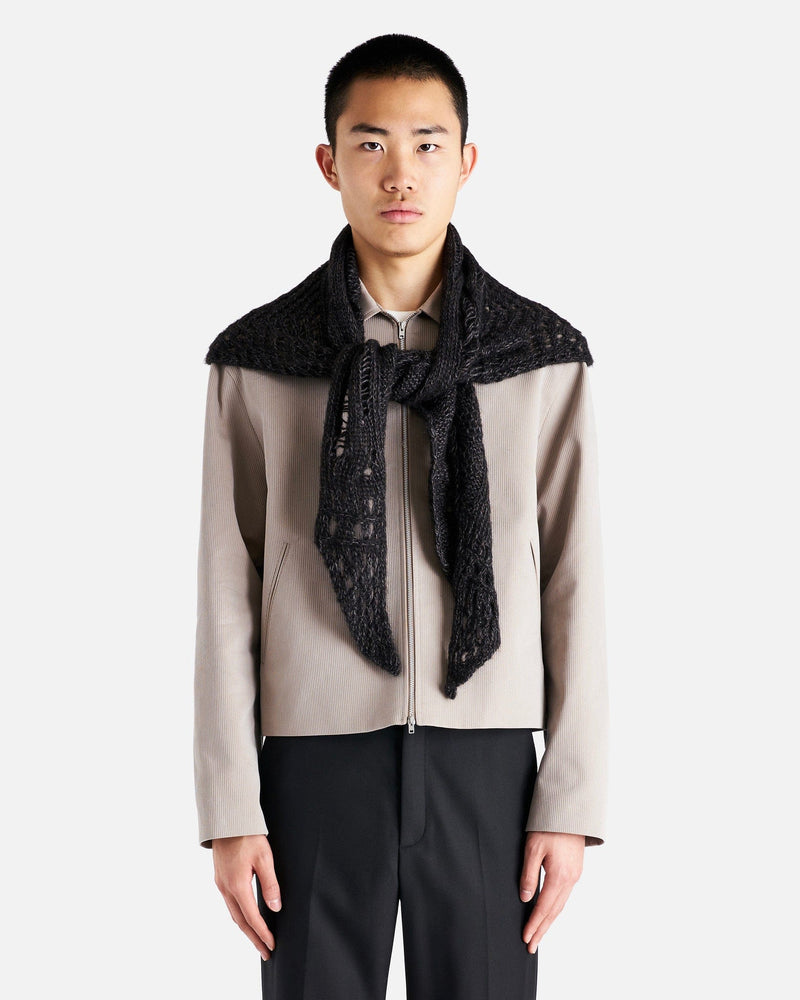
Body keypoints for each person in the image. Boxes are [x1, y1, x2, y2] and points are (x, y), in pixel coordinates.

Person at [193, 32, 609, 1000]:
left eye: (427, 144)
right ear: (328, 161)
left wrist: (571, 798)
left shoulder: (541, 357)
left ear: (466, 161)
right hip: (310, 768)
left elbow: (574, 581)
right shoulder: (259, 358)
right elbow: (224, 587)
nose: (400, 173)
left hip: (489, 768)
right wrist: (229, 807)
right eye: (370, 142)